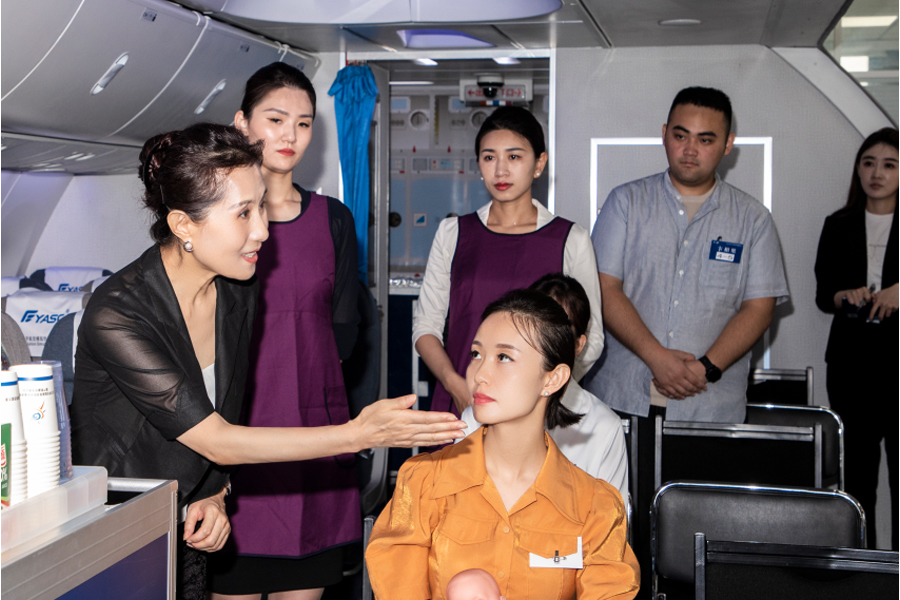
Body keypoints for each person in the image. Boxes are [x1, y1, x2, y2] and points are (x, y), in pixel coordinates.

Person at [71, 123, 465, 600]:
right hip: (115, 527)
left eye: (262, 207)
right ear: (183, 226)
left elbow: (227, 405)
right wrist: (359, 433)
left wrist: (215, 492)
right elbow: (216, 438)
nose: (262, 229)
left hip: (185, 516)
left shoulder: (235, 288)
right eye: (244, 212)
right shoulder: (118, 315)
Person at [586, 86, 789, 595]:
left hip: (709, 408)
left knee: (699, 547)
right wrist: (657, 358)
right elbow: (604, 289)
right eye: (680, 135)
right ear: (664, 135)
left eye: (706, 138)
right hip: (624, 403)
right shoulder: (626, 202)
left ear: (728, 144)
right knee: (618, 535)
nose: (690, 149)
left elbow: (759, 307)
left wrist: (706, 368)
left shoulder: (752, 219)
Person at [366, 289, 640, 600]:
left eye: (504, 357)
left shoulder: (595, 507)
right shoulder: (422, 485)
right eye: (476, 354)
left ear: (553, 379)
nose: (479, 374)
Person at [205, 62, 362, 600]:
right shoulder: (212, 221)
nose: (289, 135)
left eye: (303, 123)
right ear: (242, 123)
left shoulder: (334, 221)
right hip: (235, 436)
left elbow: (344, 336)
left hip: (312, 439)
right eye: (275, 119)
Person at [413, 106, 604, 417]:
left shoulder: (570, 239)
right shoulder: (453, 233)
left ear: (539, 163)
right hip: (463, 403)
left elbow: (591, 338)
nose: (500, 170)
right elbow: (426, 327)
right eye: (489, 157)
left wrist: (546, 393)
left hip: (537, 414)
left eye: (514, 157)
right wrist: (455, 385)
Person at [459, 273, 628, 499]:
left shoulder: (604, 427)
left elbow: (610, 512)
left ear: (578, 345)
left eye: (558, 329)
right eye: (476, 354)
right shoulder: (477, 416)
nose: (480, 375)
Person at [814, 127, 898, 550]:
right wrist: (842, 295)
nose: (877, 173)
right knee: (859, 479)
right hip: (851, 367)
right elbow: (822, 294)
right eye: (868, 163)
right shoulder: (839, 223)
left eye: (889, 165)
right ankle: (864, 570)